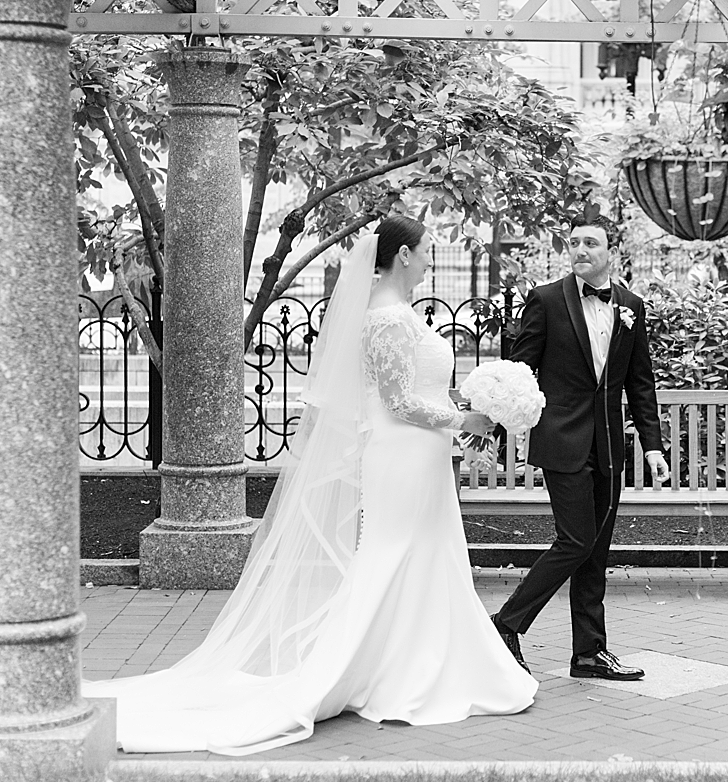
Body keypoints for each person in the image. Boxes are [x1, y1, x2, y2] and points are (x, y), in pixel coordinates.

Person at [84, 216, 536, 755]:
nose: (430, 260)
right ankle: (379, 670)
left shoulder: (400, 316)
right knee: (395, 553)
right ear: (403, 256)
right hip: (402, 453)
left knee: (424, 553)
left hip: (422, 453)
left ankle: (413, 662)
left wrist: (467, 402)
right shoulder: (388, 319)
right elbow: (397, 403)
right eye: (426, 251)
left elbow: (416, 388)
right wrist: (466, 420)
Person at [490, 216, 671, 681]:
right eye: (575, 243)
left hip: (610, 445)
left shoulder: (631, 306)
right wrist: (494, 423)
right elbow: (520, 371)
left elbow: (640, 383)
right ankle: (505, 625)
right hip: (563, 441)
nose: (581, 250)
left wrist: (653, 446)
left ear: (613, 251)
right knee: (576, 540)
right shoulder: (547, 300)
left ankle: (589, 653)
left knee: (597, 551)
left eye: (591, 243)